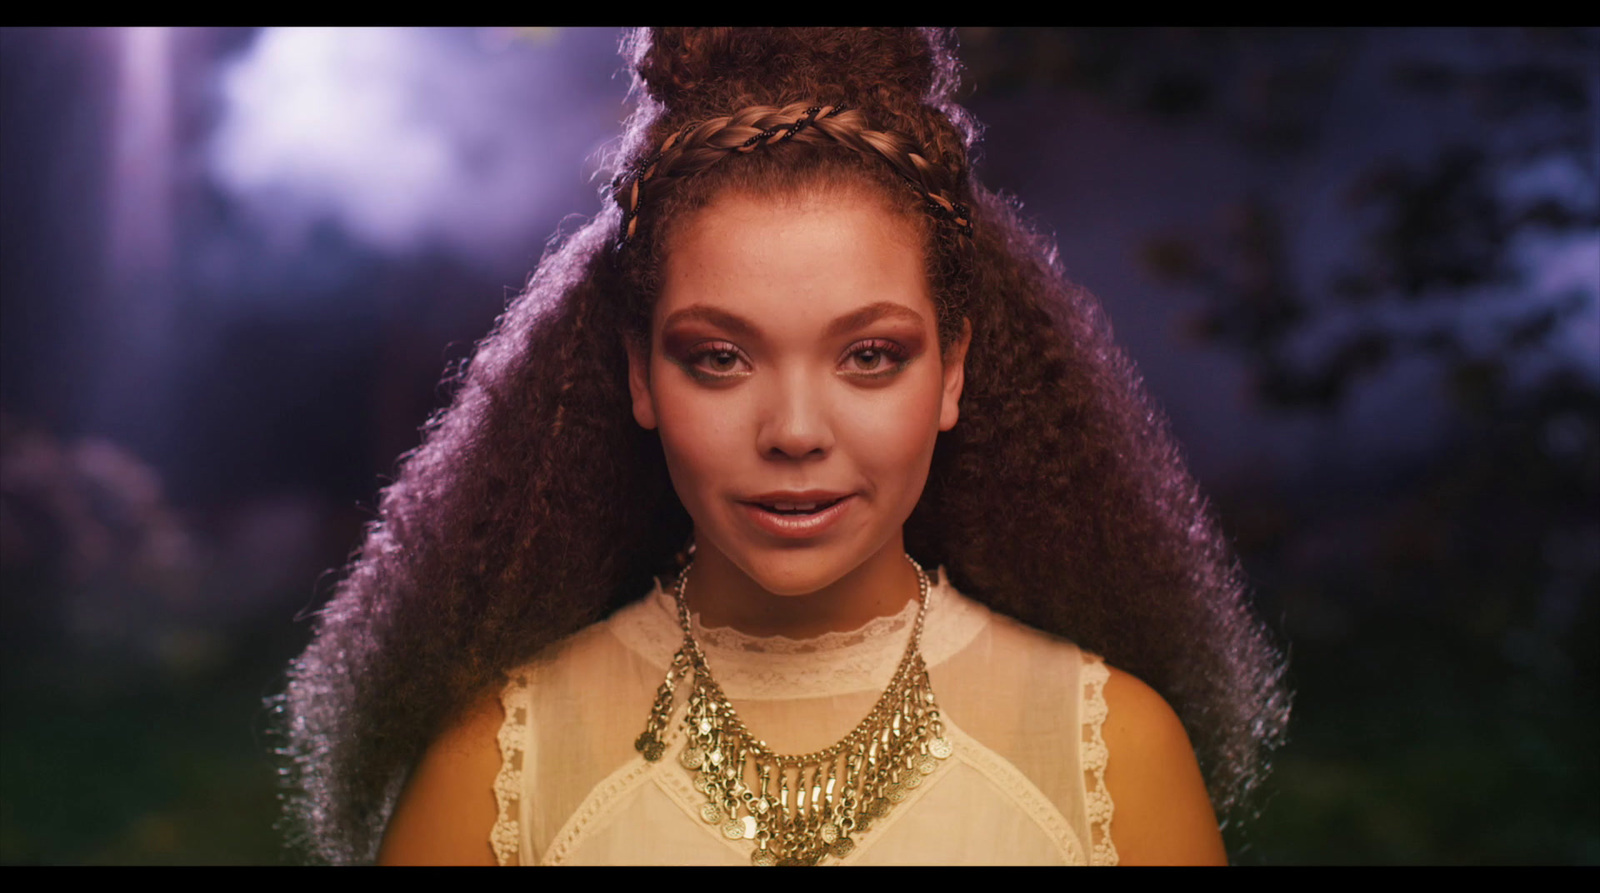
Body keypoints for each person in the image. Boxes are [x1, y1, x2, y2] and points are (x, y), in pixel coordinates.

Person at [279, 27, 1290, 866]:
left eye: (869, 355)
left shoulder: (1109, 752)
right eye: (719, 357)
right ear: (637, 374)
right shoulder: (497, 763)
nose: (795, 432)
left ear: (952, 371)